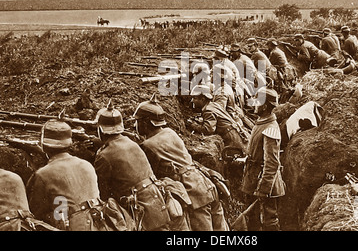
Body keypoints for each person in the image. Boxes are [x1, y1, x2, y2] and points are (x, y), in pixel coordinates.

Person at [133, 97, 229, 231]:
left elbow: (152, 175)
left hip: (195, 195)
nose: (135, 125)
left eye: (137, 121)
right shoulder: (170, 132)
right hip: (206, 185)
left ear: (145, 123)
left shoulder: (148, 146)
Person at [93, 103, 172, 231]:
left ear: (100, 130)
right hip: (157, 200)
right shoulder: (132, 142)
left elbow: (103, 193)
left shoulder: (103, 155)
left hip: (138, 209)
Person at [26, 120, 103, 231]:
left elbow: (36, 211)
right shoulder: (87, 165)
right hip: (98, 223)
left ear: (43, 146)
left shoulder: (43, 174)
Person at [240, 87, 286, 231]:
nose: (254, 105)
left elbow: (272, 163)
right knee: (252, 218)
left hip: (265, 183)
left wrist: (264, 189)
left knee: (269, 221)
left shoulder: (270, 128)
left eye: (257, 102)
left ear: (265, 106)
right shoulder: (261, 122)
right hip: (254, 177)